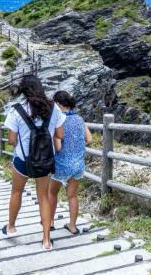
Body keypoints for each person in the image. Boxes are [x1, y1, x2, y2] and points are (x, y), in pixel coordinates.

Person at [3, 75, 65, 251]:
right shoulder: (54, 109)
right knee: (43, 196)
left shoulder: (16, 111)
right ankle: (46, 240)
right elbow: (60, 135)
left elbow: (12, 140)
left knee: (16, 192)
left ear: (24, 91)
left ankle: (11, 227)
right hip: (45, 161)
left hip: (23, 160)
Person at [48, 90, 92, 236]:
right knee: (72, 196)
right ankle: (72, 226)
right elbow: (89, 140)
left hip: (61, 164)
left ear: (59, 104)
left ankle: (51, 222)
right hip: (77, 165)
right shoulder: (79, 119)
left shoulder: (58, 120)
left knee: (52, 193)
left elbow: (58, 147)